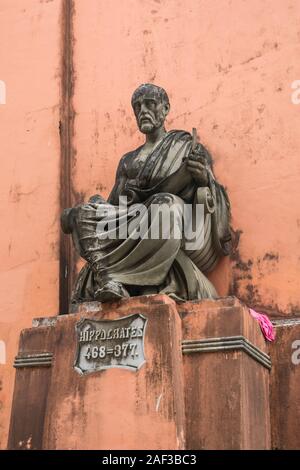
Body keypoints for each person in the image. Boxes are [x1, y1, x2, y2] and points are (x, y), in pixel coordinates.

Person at [61, 84, 232, 304]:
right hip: (134, 220)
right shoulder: (128, 160)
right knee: (84, 212)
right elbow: (118, 205)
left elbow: (210, 196)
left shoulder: (184, 146)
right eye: (137, 107)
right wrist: (98, 207)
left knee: (164, 206)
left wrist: (202, 180)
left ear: (165, 108)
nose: (143, 111)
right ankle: (111, 279)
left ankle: (117, 276)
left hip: (169, 218)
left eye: (150, 104)